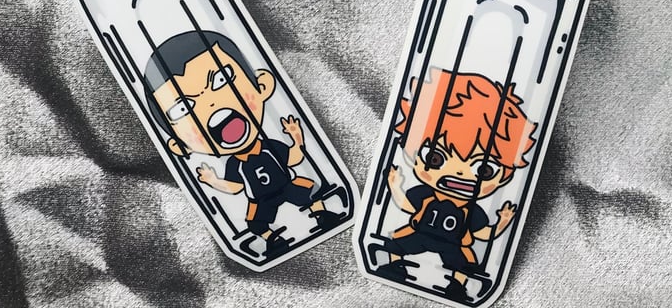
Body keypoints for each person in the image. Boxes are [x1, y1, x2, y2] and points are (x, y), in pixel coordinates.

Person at [145, 31, 344, 258]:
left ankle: (321, 214)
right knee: (255, 223)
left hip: (287, 185)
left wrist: (296, 137)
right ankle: (272, 239)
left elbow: (294, 157)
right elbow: (235, 187)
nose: (212, 105)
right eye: (183, 108)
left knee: (310, 189)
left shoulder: (269, 146)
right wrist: (213, 180)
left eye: (222, 78)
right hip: (260, 200)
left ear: (262, 85)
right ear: (180, 146)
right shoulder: (235, 164)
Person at [377, 68, 535, 303]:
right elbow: (406, 205)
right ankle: (394, 266)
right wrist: (394, 185)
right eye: (436, 158)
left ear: (504, 175)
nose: (460, 173)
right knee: (397, 245)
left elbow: (484, 234)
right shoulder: (426, 195)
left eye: (483, 169)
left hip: (452, 246)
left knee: (463, 264)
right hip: (420, 235)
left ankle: (457, 286)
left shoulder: (471, 211)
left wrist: (503, 221)